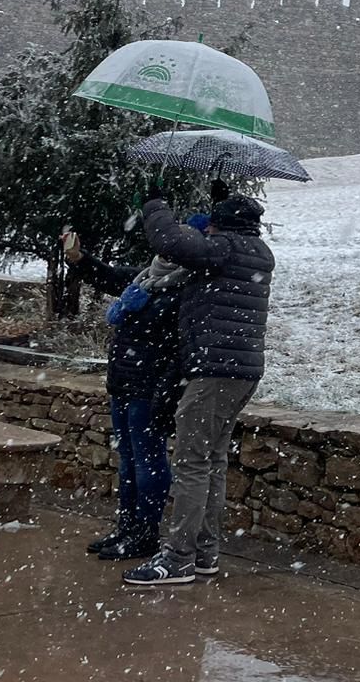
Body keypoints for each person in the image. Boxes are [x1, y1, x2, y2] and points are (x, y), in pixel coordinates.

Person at [122, 187, 274, 586]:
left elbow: (169, 240)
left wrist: (154, 203)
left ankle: (178, 559)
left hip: (212, 371)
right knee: (212, 462)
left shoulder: (224, 247)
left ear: (222, 225)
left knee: (191, 463)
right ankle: (205, 553)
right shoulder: (251, 252)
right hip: (238, 370)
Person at [63, 217, 207, 560]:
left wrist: (166, 386)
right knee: (127, 459)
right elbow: (109, 277)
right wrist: (79, 259)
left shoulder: (189, 286)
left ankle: (145, 533)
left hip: (151, 386)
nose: (168, 246)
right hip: (124, 380)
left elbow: (180, 344)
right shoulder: (148, 275)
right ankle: (126, 528)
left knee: (148, 461)